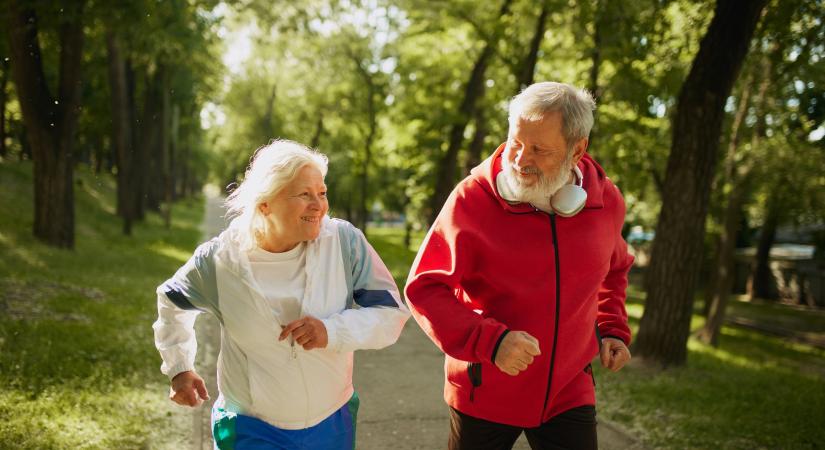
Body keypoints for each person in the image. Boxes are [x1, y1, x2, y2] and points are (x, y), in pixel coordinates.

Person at [405, 82, 633, 450]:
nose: (521, 159)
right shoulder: (471, 198)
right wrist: (491, 343)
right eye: (516, 142)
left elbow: (616, 268)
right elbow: (424, 288)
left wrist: (611, 328)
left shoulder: (606, 202)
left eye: (540, 149)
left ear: (578, 150)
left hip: (568, 388)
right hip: (487, 385)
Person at [153, 140, 410, 449]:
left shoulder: (344, 243)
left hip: (331, 420)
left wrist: (331, 331)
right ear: (265, 204)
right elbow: (172, 301)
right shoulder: (220, 261)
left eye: (322, 193)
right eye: (305, 195)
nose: (319, 205)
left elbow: (391, 314)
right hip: (251, 426)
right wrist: (180, 366)